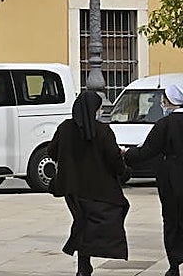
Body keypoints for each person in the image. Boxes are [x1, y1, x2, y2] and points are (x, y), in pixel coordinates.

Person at [48, 89, 130, 276]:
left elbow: (52, 151)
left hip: (72, 188)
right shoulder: (103, 131)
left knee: (82, 222)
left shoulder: (65, 128)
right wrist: (124, 172)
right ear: (95, 109)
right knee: (90, 223)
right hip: (99, 189)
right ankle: (84, 262)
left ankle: (83, 265)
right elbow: (113, 158)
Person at [124, 84, 183, 276]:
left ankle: (174, 264)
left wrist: (126, 154)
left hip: (171, 179)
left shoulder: (165, 125)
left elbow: (147, 151)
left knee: (172, 220)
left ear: (169, 101)